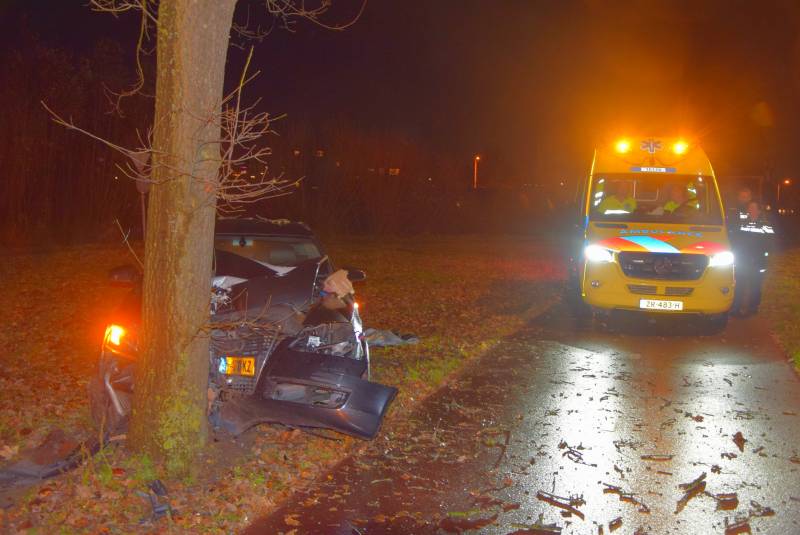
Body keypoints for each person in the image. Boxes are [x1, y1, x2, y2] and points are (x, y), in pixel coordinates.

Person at [731, 200, 774, 316]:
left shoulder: (765, 224)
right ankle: (736, 308)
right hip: (743, 260)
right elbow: (736, 239)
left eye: (754, 208)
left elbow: (769, 242)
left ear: (759, 210)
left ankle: (753, 308)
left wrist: (761, 253)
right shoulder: (742, 223)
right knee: (739, 285)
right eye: (750, 208)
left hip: (758, 261)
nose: (751, 210)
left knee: (755, 285)